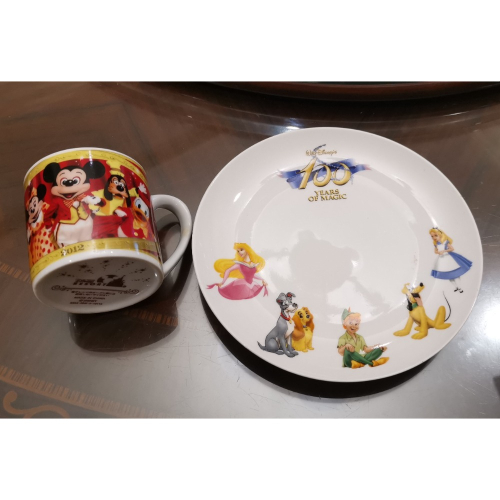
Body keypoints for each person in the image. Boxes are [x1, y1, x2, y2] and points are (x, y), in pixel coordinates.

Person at [429, 228, 472, 293]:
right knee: (449, 275)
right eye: (432, 236)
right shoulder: (436, 244)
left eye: (435, 235)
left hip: (449, 258)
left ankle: (460, 287)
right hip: (441, 259)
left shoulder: (445, 242)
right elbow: (435, 251)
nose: (434, 237)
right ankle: (456, 287)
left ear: (440, 235)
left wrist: (444, 251)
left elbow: (452, 249)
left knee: (455, 274)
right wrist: (438, 252)